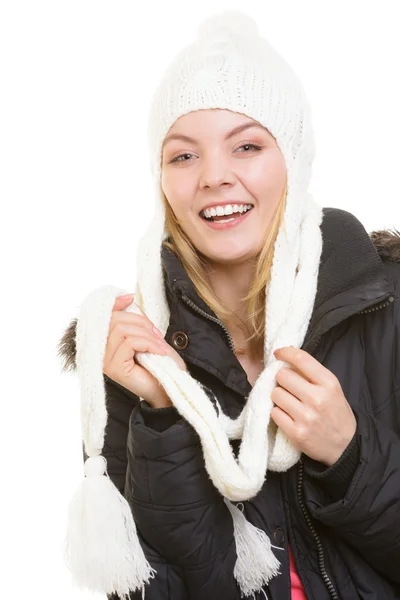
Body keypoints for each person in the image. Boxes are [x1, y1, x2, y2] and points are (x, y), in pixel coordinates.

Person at [57, 10, 400, 600]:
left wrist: (350, 456)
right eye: (183, 156)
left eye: (246, 146)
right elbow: (156, 589)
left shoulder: (384, 306)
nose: (214, 176)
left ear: (292, 160)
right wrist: (164, 416)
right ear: (160, 179)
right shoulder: (133, 352)